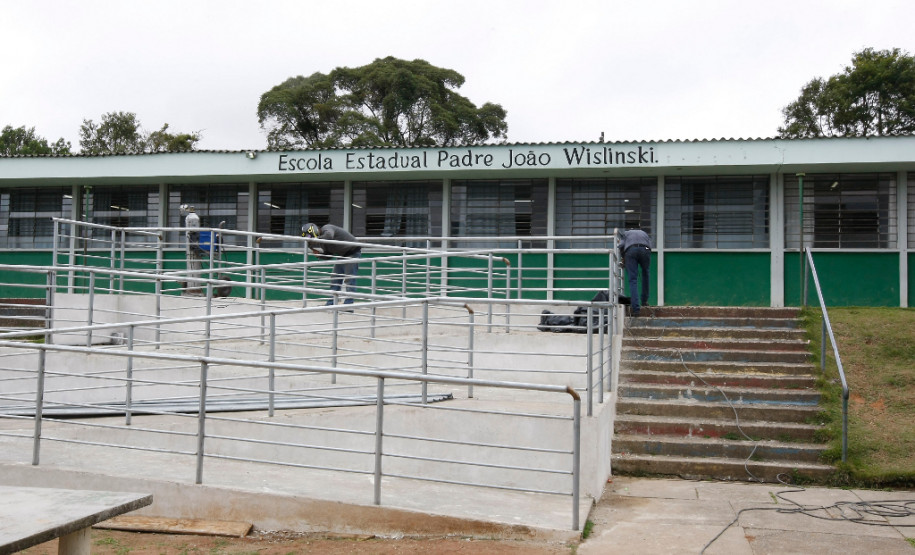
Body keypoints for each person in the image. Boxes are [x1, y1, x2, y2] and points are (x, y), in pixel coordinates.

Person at [302, 223, 362, 305]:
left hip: (352, 252)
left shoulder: (327, 228)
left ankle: (348, 304)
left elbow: (329, 236)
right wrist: (319, 255)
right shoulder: (322, 242)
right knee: (335, 278)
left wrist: (316, 240)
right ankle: (331, 303)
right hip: (342, 254)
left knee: (349, 279)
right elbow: (329, 255)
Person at [619, 228, 652, 317]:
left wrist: (623, 257)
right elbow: (649, 245)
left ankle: (636, 310)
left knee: (633, 280)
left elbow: (621, 245)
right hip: (645, 249)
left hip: (631, 250)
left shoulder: (626, 233)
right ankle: (644, 301)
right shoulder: (644, 233)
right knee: (646, 274)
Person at [182, 205, 202, 295]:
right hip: (192, 246)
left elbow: (194, 232)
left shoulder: (191, 217)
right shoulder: (193, 217)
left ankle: (195, 288)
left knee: (194, 266)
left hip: (194, 245)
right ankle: (193, 288)